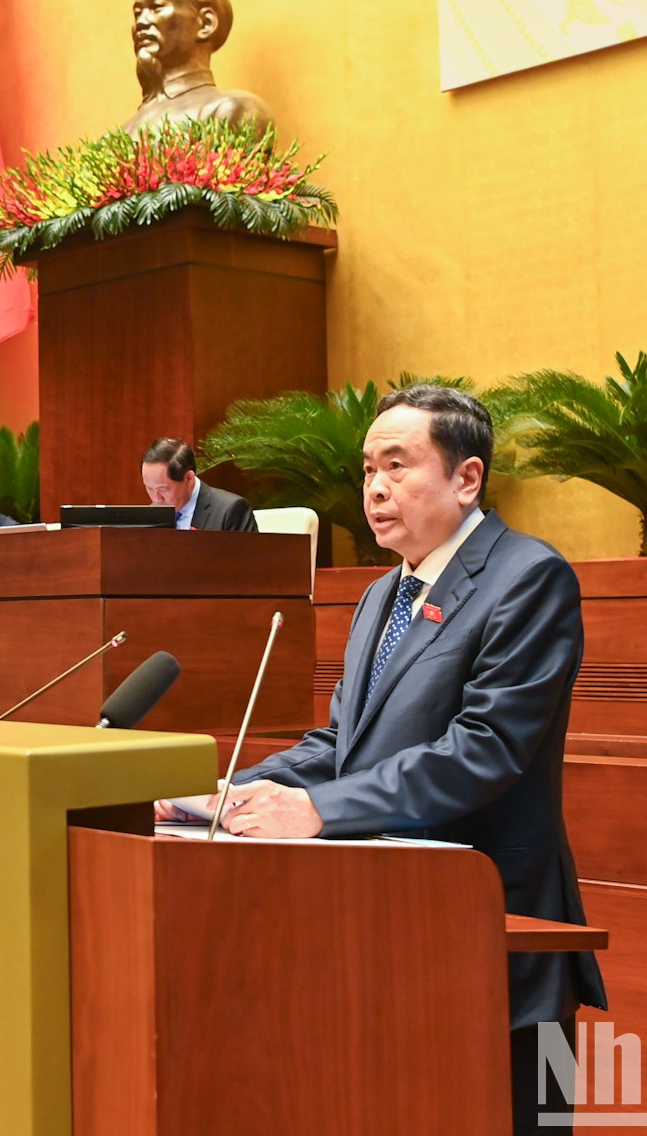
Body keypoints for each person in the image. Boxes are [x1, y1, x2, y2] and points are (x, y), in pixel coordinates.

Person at [162, 384, 605, 1132]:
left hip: (489, 925)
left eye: (397, 466)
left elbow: (484, 748)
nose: (374, 487)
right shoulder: (380, 596)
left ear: (468, 479)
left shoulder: (529, 578)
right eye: (368, 469)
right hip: (384, 926)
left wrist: (318, 808)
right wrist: (221, 792)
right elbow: (343, 743)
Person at [123, 0, 275, 134]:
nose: (140, 22)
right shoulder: (116, 138)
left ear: (206, 24)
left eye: (156, 7)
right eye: (137, 13)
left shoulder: (232, 110)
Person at [140, 438, 256, 531]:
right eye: (149, 488)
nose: (156, 499)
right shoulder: (149, 517)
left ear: (188, 478)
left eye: (163, 489)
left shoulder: (230, 511)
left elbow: (250, 559)